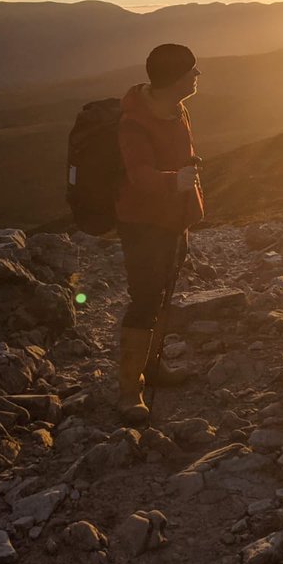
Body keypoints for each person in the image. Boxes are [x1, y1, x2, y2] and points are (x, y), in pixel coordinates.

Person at [114, 43, 204, 424]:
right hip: (143, 223)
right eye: (192, 71)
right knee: (146, 299)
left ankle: (154, 368)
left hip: (173, 219)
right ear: (174, 79)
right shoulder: (134, 122)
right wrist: (175, 182)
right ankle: (128, 391)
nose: (197, 76)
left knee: (164, 292)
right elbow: (138, 175)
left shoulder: (177, 109)